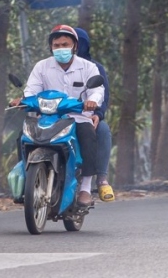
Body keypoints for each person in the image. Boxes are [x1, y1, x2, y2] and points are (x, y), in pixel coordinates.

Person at [11, 24, 105, 206]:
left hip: (76, 117)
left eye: (65, 44)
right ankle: (26, 179)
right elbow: (32, 90)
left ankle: (85, 187)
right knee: (22, 138)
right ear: (51, 47)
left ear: (75, 46)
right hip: (47, 117)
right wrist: (22, 100)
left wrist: (92, 100)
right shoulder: (42, 67)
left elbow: (97, 90)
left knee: (88, 135)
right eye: (57, 45)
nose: (61, 49)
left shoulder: (88, 67)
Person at [75, 27, 115, 202]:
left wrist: (97, 113)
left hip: (86, 115)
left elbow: (102, 95)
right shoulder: (49, 67)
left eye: (78, 44)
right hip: (57, 115)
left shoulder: (95, 68)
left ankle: (101, 178)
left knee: (103, 130)